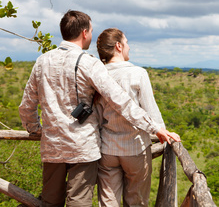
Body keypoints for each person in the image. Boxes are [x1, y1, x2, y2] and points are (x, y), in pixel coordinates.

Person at [18, 10, 180, 207]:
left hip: (52, 146)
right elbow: (120, 100)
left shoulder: (42, 61)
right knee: (79, 201)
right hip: (82, 147)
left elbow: (27, 105)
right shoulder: (88, 63)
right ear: (85, 33)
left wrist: (36, 130)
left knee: (50, 201)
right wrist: (154, 128)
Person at [95, 28, 179, 207]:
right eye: (126, 43)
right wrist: (162, 131)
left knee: (107, 203)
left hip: (107, 148)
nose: (129, 47)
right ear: (118, 46)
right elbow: (151, 110)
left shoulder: (98, 75)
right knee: (137, 202)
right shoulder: (137, 73)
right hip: (135, 147)